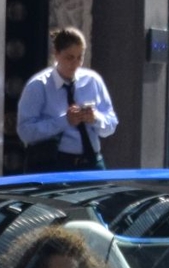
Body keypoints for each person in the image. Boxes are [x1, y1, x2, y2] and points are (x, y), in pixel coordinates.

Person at [17, 26, 118, 168]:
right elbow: (25, 132)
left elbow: (111, 124)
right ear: (56, 54)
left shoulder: (92, 81)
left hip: (92, 161)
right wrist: (64, 121)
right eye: (70, 58)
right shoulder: (39, 86)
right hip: (56, 162)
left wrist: (95, 118)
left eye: (80, 57)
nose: (75, 64)